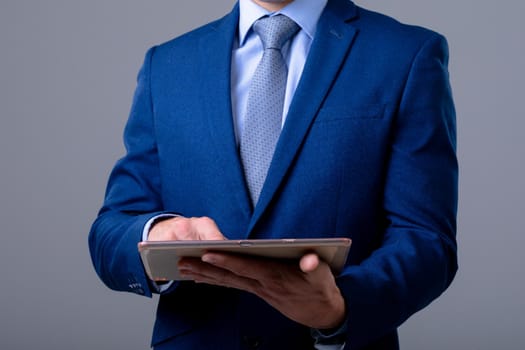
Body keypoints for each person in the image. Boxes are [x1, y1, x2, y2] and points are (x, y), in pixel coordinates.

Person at [89, 0, 458, 349]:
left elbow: (426, 239)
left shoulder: (406, 54)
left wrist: (339, 306)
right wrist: (156, 234)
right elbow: (111, 231)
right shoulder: (167, 65)